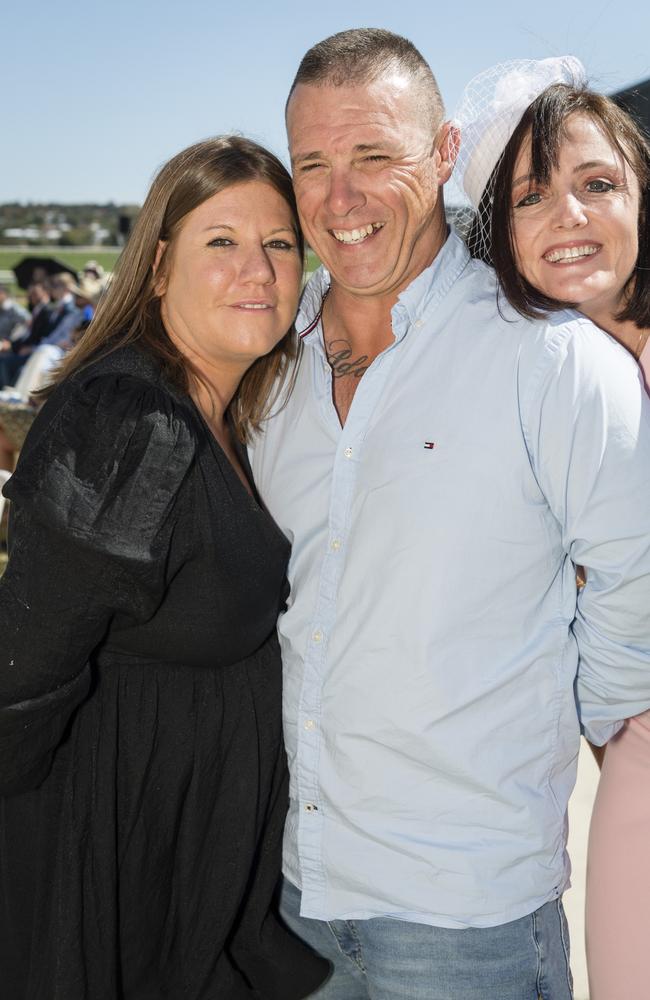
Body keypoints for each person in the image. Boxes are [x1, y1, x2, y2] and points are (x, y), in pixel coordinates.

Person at [248, 29, 650, 999]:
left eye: (374, 157)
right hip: (289, 903)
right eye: (312, 165)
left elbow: (631, 606)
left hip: (466, 922)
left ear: (440, 156)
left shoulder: (550, 361)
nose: (338, 200)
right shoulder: (269, 359)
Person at [0, 134, 328, 1000]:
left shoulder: (220, 415)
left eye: (279, 244)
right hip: (107, 870)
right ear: (155, 266)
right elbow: (23, 677)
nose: (256, 268)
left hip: (182, 872)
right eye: (220, 241)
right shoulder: (131, 418)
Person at [453, 59, 650, 1000]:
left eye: (598, 184)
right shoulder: (534, 381)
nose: (570, 214)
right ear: (503, 237)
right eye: (534, 197)